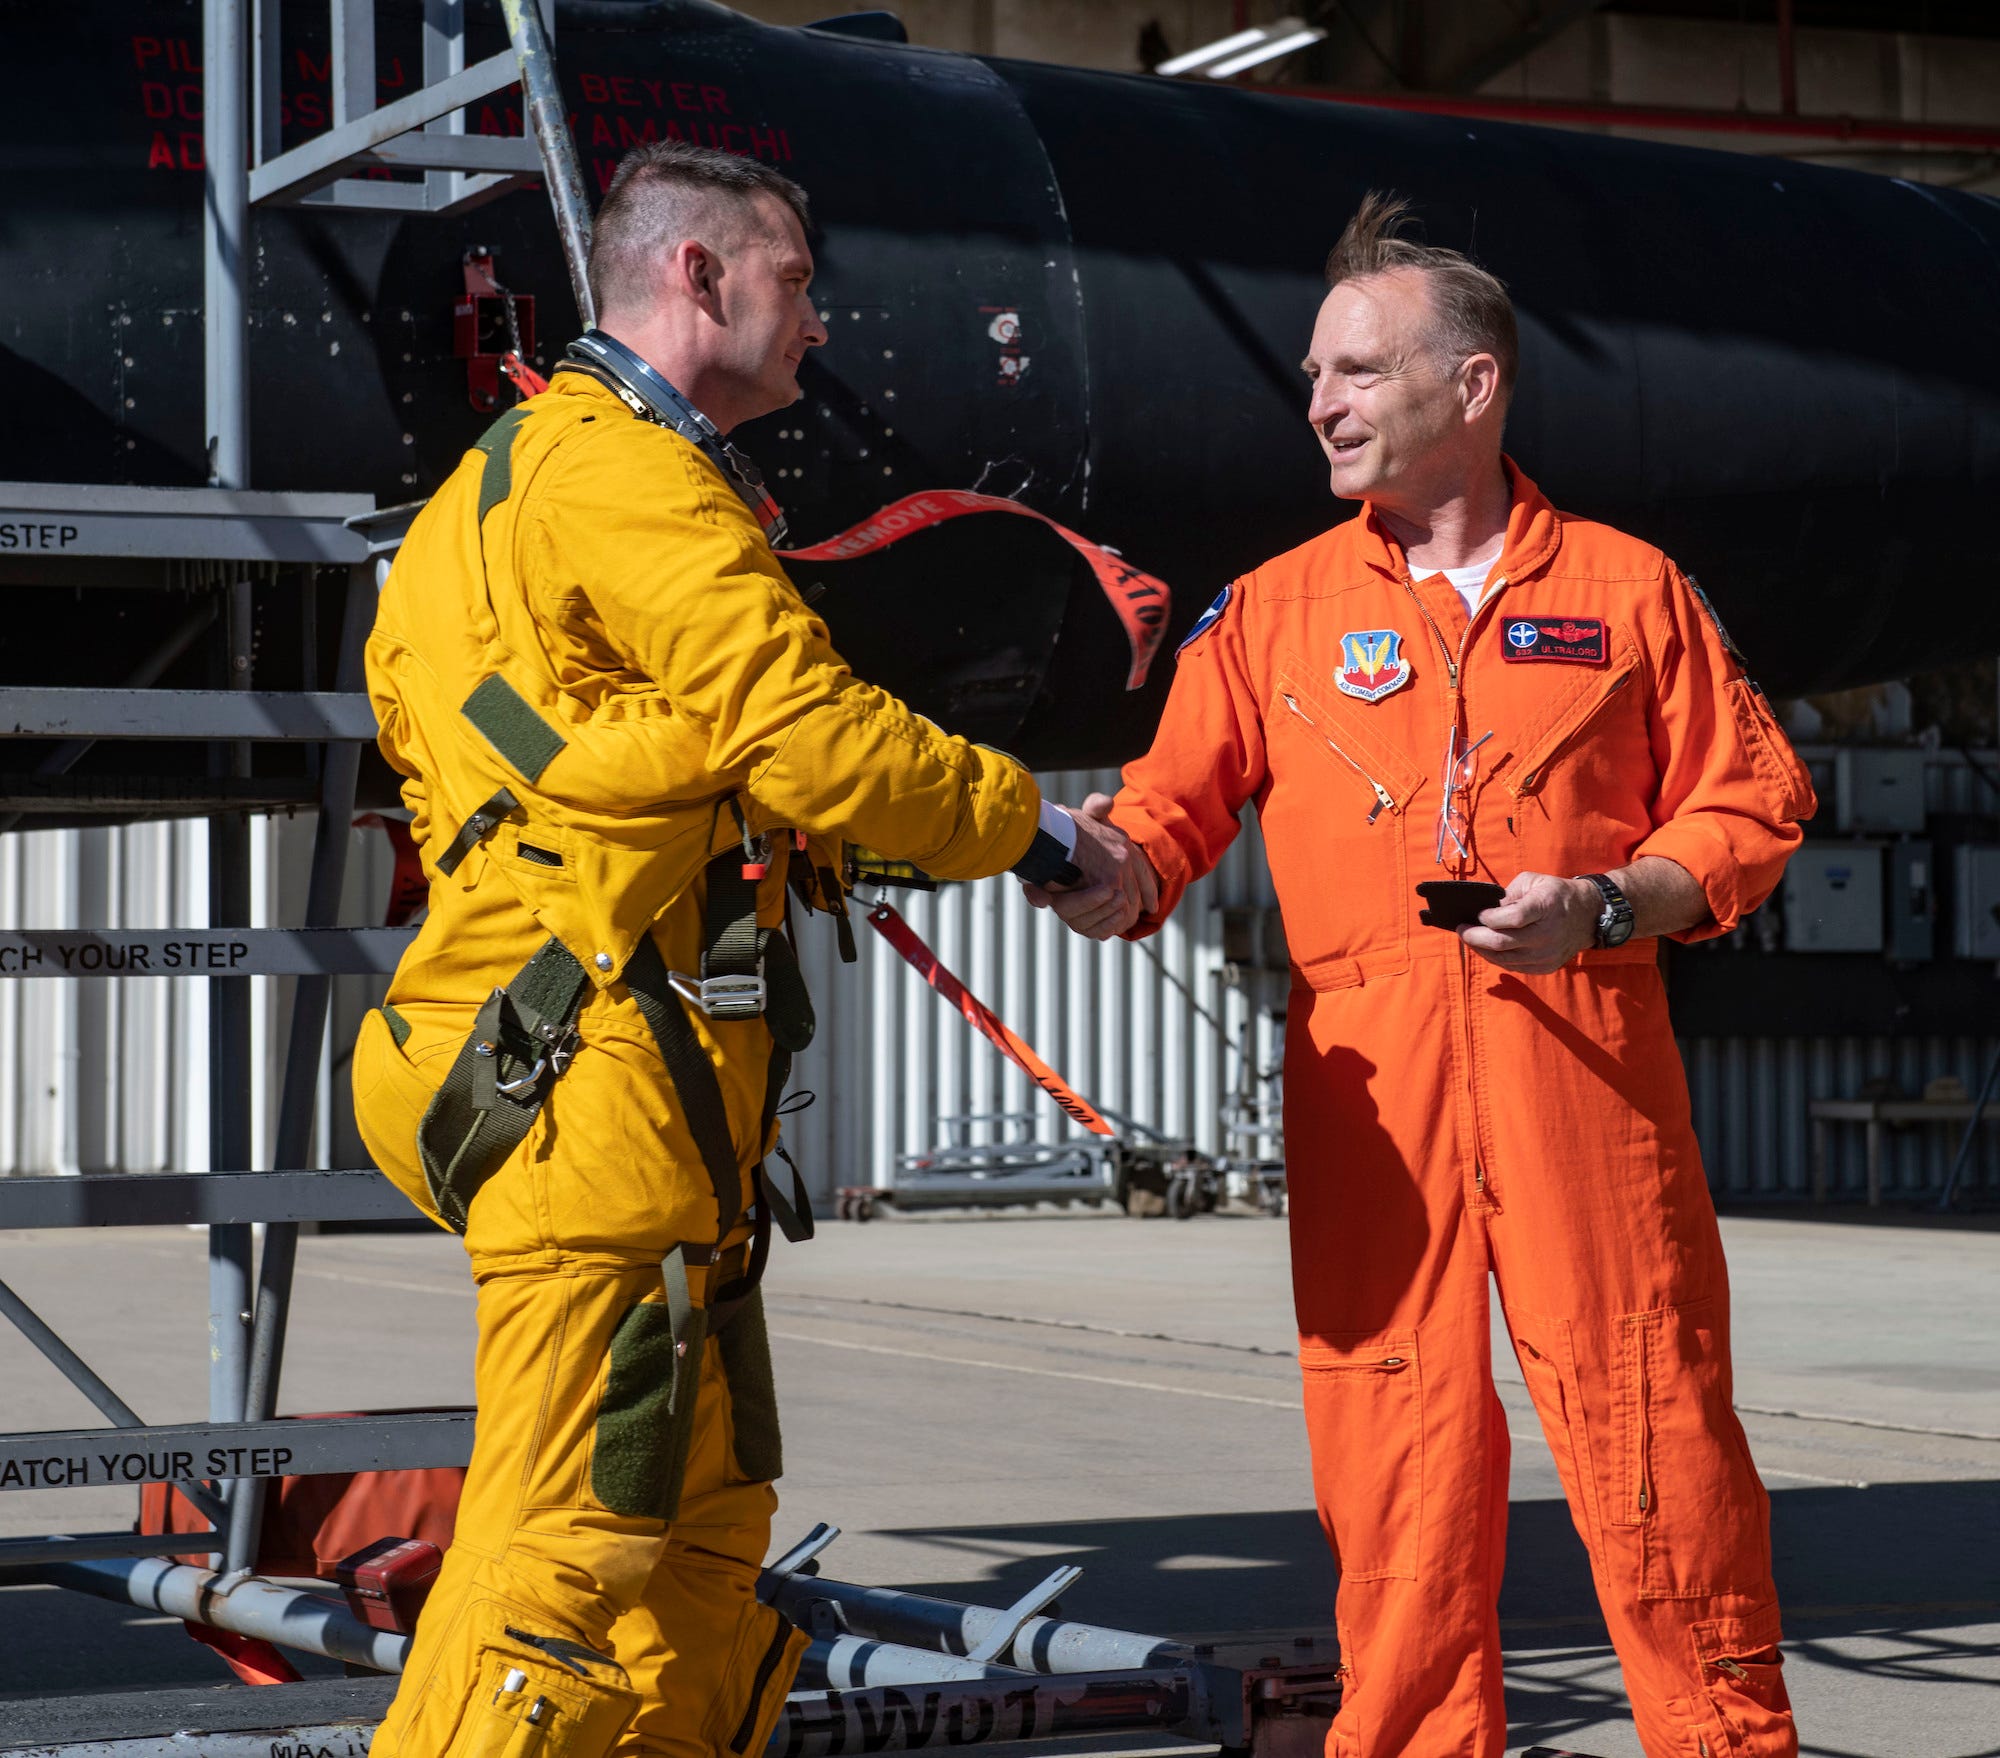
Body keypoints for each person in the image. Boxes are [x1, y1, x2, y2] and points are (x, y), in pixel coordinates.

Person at [351, 141, 1150, 1758]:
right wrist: (1048, 832)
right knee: (566, 1556)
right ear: (698, 277)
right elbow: (810, 737)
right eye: (796, 280)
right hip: (592, 1096)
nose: (823, 323)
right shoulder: (628, 479)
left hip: (616, 1100)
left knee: (701, 1532)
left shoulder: (494, 498)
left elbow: (643, 779)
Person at [1032, 193, 1813, 1758]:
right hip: (1376, 1107)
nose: (1318, 401)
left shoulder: (1630, 591)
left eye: (1355, 371)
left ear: (1471, 386)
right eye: (1313, 375)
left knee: (1658, 1434)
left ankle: (1727, 1742)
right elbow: (1162, 821)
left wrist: (1603, 904)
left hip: (1586, 1086)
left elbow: (1754, 804)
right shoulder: (1270, 614)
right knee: (1393, 1453)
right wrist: (1075, 858)